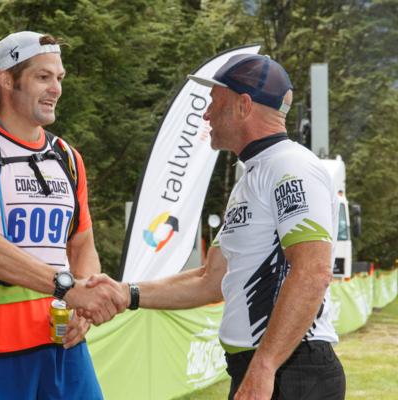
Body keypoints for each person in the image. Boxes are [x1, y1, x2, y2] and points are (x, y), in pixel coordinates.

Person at [88, 54, 346, 399]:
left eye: (214, 102)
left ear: (243, 105)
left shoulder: (290, 166)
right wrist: (127, 292)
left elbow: (313, 270)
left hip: (291, 369)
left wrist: (265, 366)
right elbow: (209, 279)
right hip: (266, 366)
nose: (206, 114)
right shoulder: (254, 174)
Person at [0, 31, 123, 399]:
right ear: (6, 79)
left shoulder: (67, 156)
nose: (56, 89)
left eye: (59, 78)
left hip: (61, 344)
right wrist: (68, 288)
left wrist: (82, 309)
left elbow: (81, 243)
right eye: (42, 77)